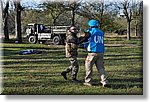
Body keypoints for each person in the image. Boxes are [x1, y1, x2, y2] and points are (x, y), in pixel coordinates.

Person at [83, 19, 108, 87]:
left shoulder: (90, 31)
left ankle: (88, 81)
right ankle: (104, 81)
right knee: (101, 68)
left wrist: (85, 47)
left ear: (90, 25)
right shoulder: (101, 32)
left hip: (92, 52)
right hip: (101, 52)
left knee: (88, 67)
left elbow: (86, 40)